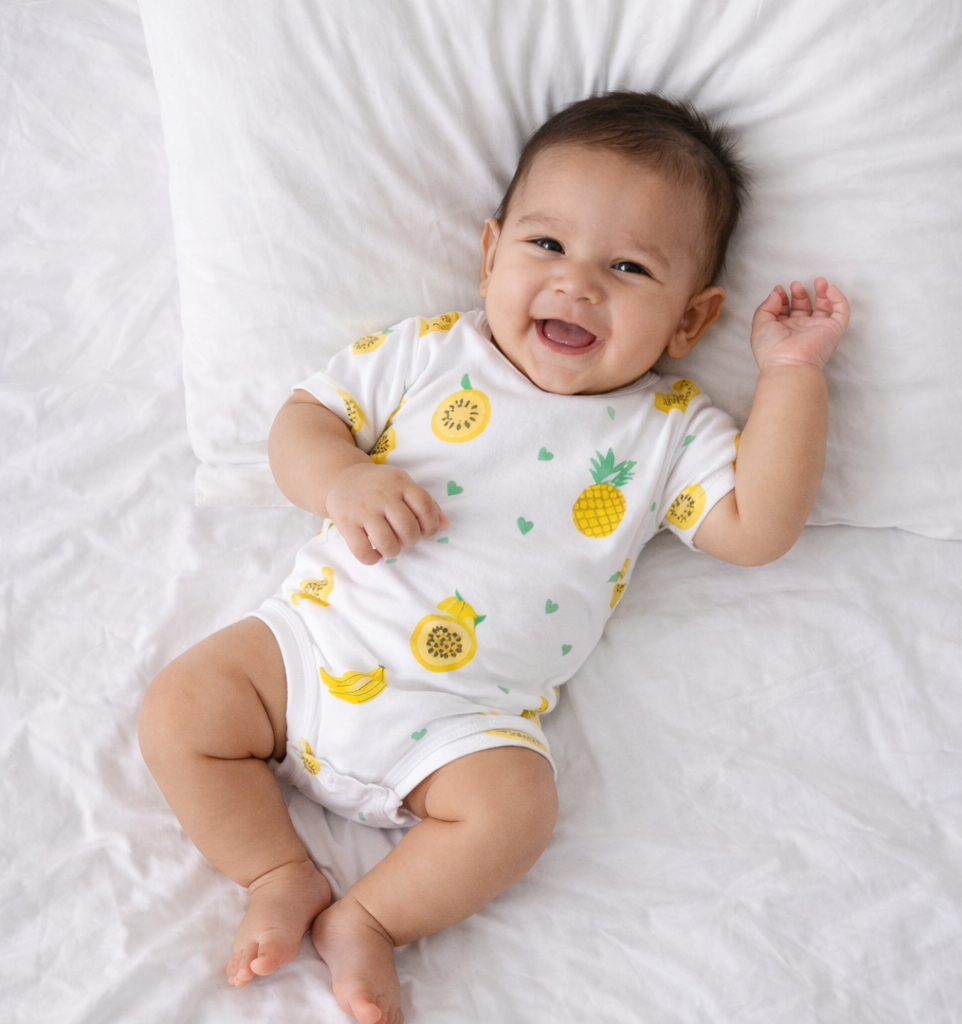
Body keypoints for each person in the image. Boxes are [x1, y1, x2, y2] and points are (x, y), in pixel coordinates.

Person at [138, 92, 849, 1024]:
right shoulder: (430, 353)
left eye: (629, 267)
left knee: (518, 812)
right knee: (179, 709)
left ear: (689, 320)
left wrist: (791, 377)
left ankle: (373, 922)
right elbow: (303, 422)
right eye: (546, 246)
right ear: (490, 252)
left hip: (462, 721)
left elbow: (758, 528)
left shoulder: (667, 430)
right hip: (311, 650)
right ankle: (276, 871)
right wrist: (343, 480)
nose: (577, 284)